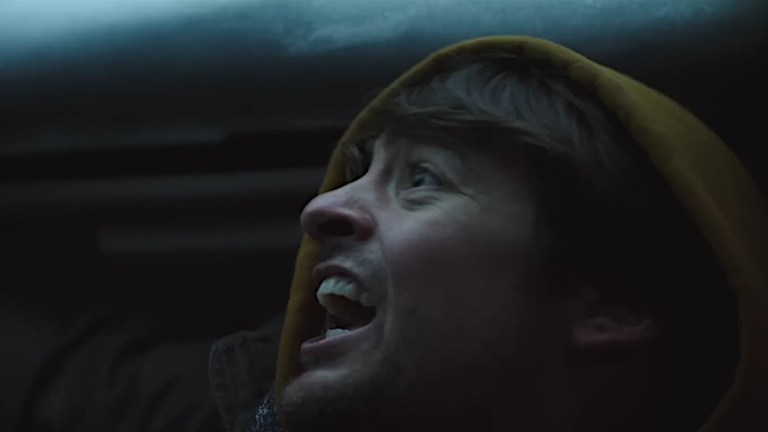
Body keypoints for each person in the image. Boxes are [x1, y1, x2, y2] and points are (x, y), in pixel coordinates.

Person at [221, 36, 768, 432]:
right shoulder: (211, 394)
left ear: (611, 302)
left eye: (421, 179)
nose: (321, 207)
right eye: (360, 171)